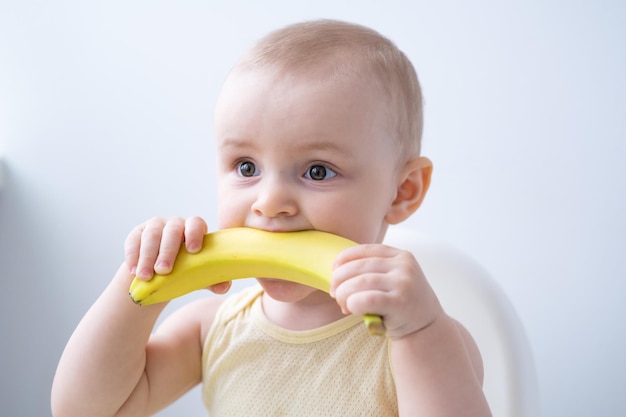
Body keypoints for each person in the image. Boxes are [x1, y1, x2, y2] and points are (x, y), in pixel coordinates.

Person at [51, 19, 491, 416]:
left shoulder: (425, 342)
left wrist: (420, 329)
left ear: (402, 191)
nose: (269, 202)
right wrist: (139, 279)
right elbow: (83, 410)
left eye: (317, 171)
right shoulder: (211, 329)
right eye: (246, 167)